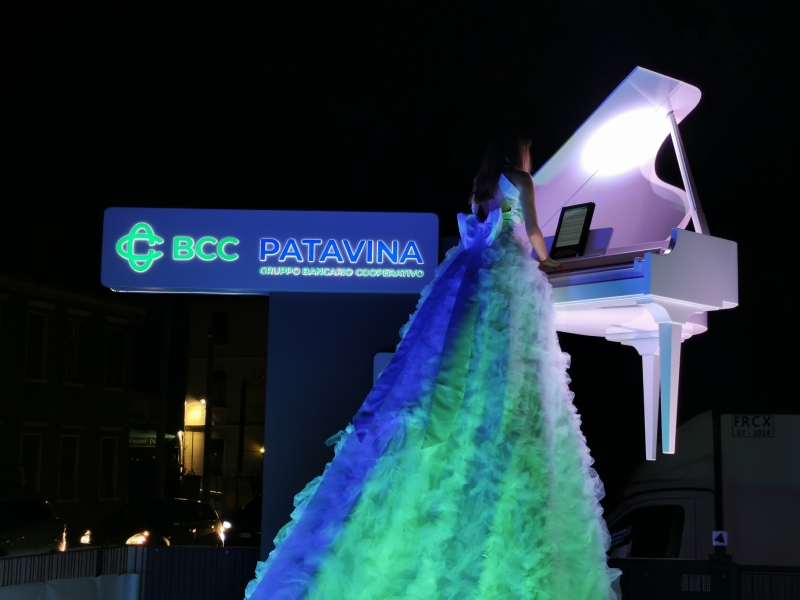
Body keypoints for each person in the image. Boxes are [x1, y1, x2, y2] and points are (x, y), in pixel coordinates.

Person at [245, 129, 622, 599]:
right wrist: (551, 262)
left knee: (458, 365)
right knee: (511, 369)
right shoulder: (521, 180)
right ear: (519, 151)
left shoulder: (481, 185)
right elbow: (532, 232)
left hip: (471, 277)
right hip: (507, 278)